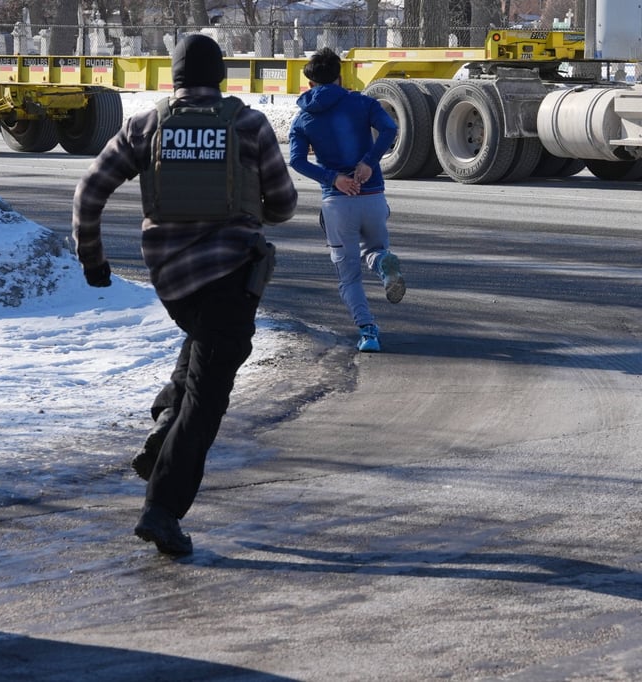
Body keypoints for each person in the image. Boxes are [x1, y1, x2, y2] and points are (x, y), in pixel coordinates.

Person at [71, 34, 298, 556]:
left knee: (200, 351)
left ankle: (167, 420)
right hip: (230, 277)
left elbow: (89, 191)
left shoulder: (145, 125)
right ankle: (162, 509)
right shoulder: (247, 124)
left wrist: (94, 261)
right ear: (221, 76)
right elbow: (283, 205)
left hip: (172, 283)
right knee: (207, 399)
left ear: (173, 77)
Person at [288, 47, 406, 353]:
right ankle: (384, 263)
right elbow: (390, 128)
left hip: (337, 203)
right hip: (373, 196)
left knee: (348, 275)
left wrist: (334, 178)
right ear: (340, 76)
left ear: (310, 84)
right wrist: (368, 161)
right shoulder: (363, 103)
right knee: (376, 249)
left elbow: (297, 162)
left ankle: (368, 332)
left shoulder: (303, 119)